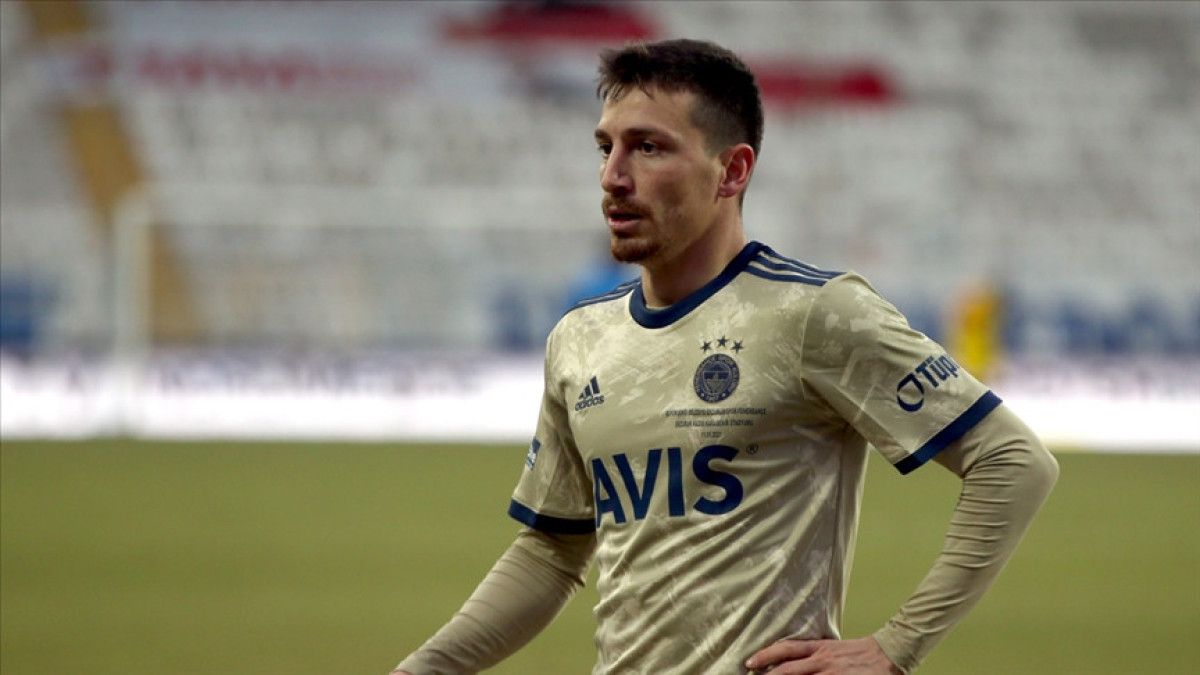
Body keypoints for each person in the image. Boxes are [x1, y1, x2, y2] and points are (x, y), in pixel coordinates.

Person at [392, 39, 1058, 675]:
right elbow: (553, 549)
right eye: (605, 147)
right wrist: (424, 666)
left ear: (732, 171)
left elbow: (1012, 460)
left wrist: (894, 647)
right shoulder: (579, 338)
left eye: (648, 147)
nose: (613, 176)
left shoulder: (815, 313)